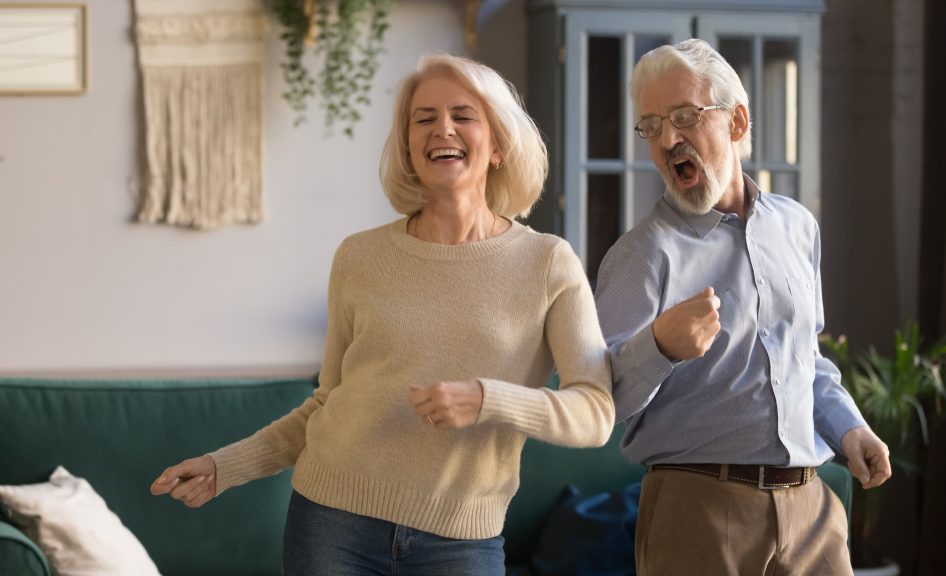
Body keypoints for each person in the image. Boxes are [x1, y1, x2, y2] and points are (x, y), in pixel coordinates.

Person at [150, 53, 614, 575]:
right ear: (410, 148)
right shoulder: (359, 257)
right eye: (424, 118)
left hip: (462, 539)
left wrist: (489, 398)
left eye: (463, 115)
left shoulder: (548, 262)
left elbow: (595, 412)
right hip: (331, 524)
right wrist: (225, 467)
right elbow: (327, 401)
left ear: (500, 144)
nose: (443, 128)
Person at [594, 39, 891, 576]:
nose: (669, 139)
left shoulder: (797, 226)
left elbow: (806, 361)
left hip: (812, 510)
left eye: (684, 116)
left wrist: (850, 429)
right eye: (652, 125)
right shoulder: (640, 255)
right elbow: (599, 402)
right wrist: (659, 346)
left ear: (736, 122)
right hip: (699, 513)